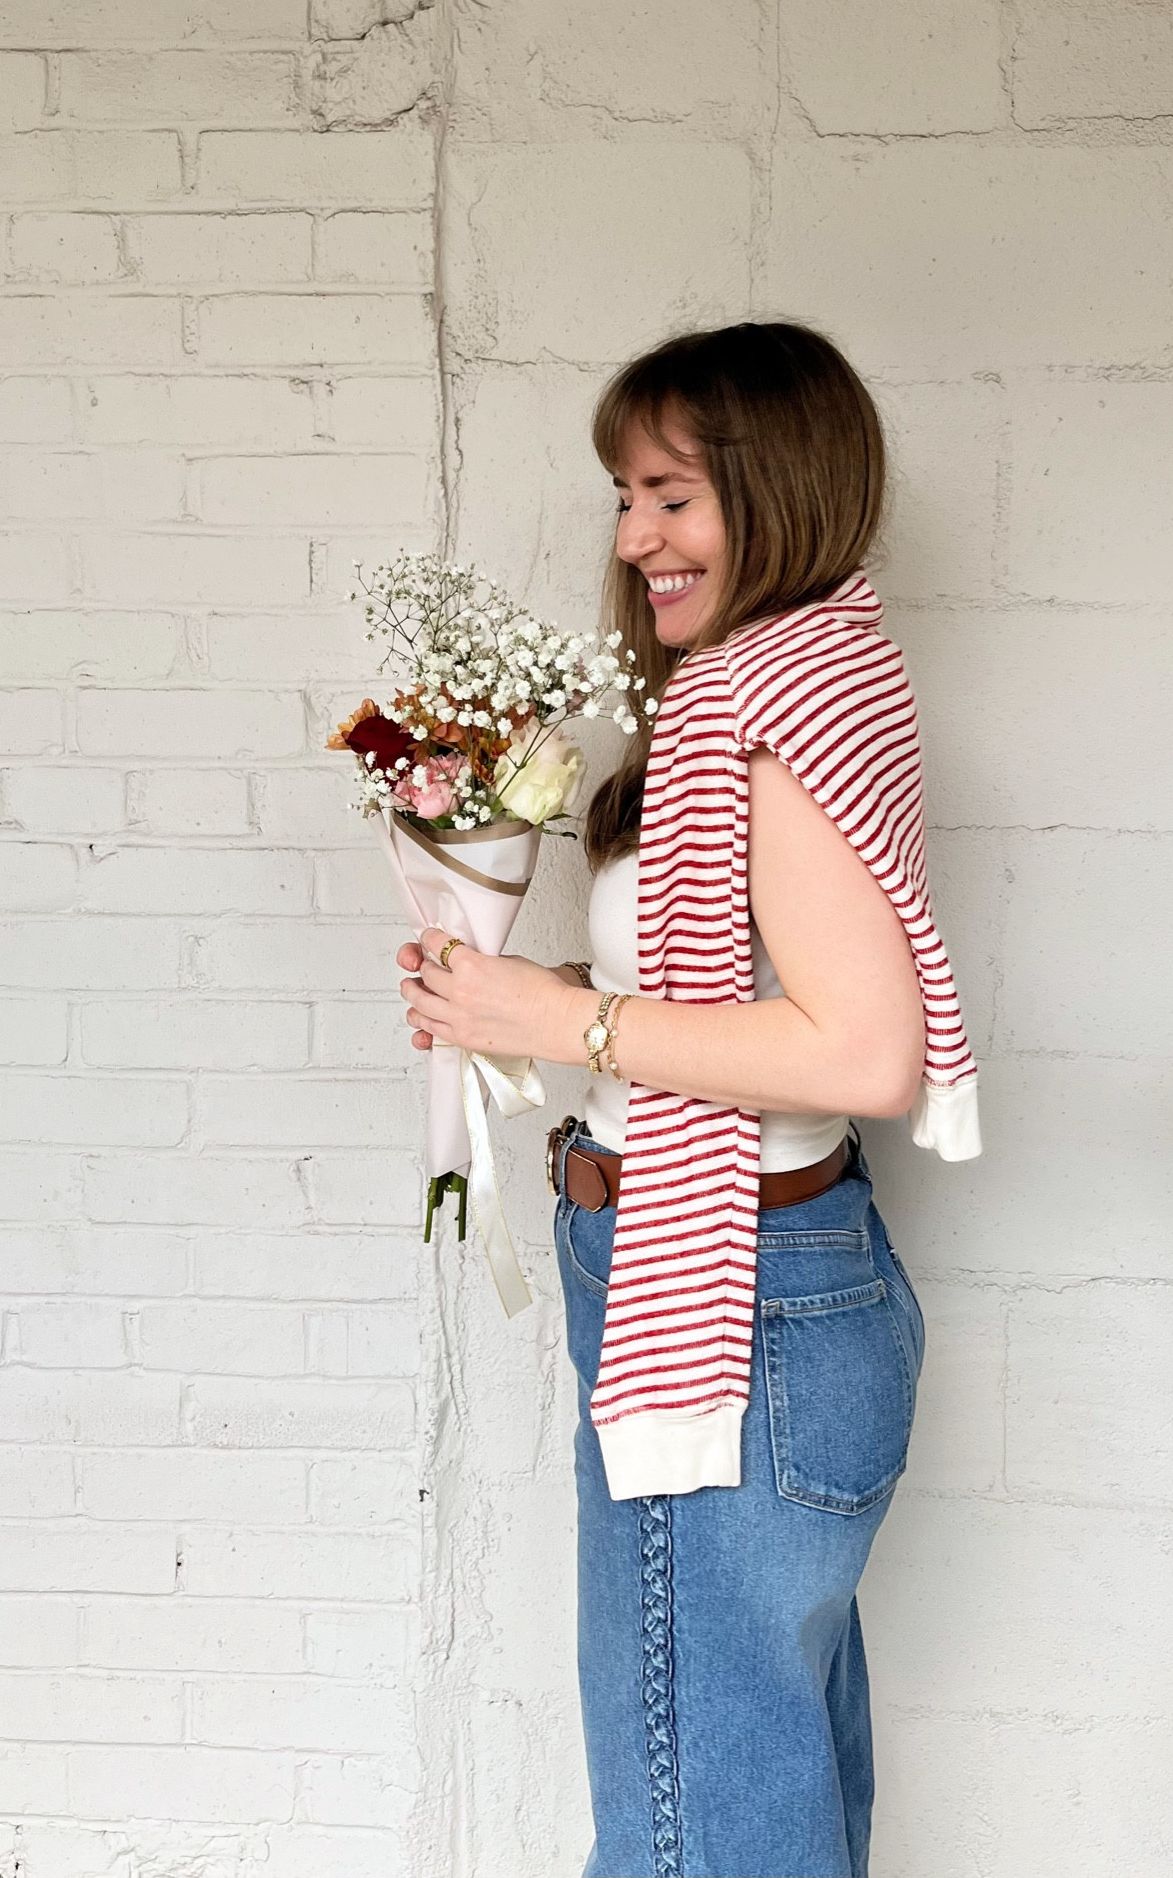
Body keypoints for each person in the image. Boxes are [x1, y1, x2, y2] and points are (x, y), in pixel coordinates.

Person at [397, 321, 981, 1878]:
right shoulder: (802, 676)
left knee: (691, 1834)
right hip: (760, 1279)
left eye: (673, 496)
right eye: (623, 496)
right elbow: (733, 1010)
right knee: (756, 1805)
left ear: (778, 487)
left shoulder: (765, 715)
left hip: (732, 1300)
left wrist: (563, 1016)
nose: (634, 537)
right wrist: (517, 1003)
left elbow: (866, 1054)